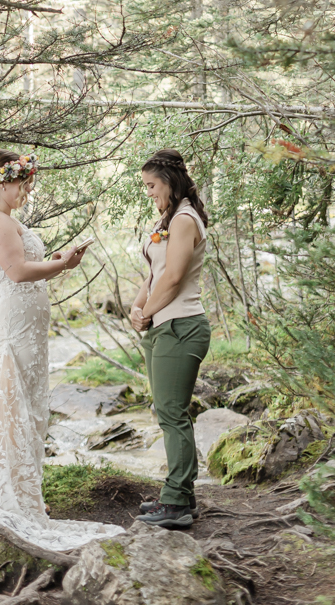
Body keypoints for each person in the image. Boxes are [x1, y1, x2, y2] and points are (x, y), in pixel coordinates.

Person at [0, 149, 123, 551]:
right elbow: (16, 272)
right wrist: (61, 265)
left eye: (29, 182)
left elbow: (24, 266)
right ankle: (5, 499)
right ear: (0, 179)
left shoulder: (5, 220)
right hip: (9, 326)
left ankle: (24, 494)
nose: (27, 190)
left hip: (22, 326)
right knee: (8, 409)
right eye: (22, 182)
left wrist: (57, 260)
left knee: (24, 410)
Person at [130, 148, 211, 531]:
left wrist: (147, 313)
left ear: (170, 181)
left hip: (181, 326)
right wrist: (137, 305)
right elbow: (155, 272)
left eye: (151, 185)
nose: (148, 192)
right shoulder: (167, 219)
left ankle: (176, 500)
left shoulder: (183, 219)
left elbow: (175, 277)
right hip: (163, 325)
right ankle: (184, 496)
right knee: (166, 412)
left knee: (172, 414)